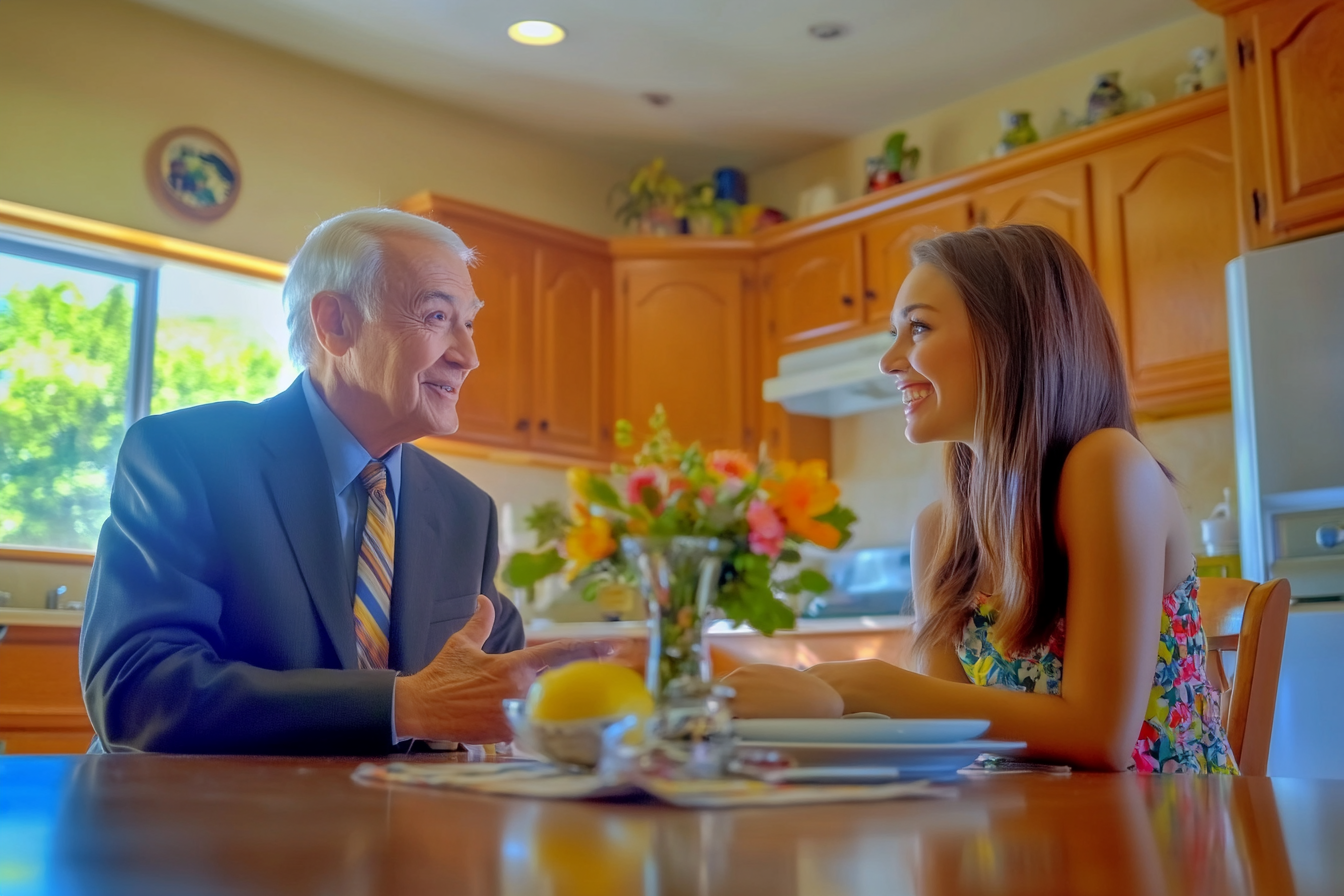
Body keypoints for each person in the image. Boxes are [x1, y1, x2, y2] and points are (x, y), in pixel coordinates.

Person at [81, 208, 606, 754]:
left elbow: (498, 690)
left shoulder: (465, 510)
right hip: (207, 830)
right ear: (335, 323)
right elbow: (135, 691)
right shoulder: (185, 455)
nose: (468, 357)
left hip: (403, 833)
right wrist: (405, 707)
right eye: (435, 317)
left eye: (468, 323)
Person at [725, 225, 1237, 774]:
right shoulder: (941, 532)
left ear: (1013, 336)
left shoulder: (1109, 466)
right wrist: (815, 702)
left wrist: (864, 685)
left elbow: (1100, 737)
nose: (889, 362)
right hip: (1019, 837)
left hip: (1163, 836)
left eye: (918, 327)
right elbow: (944, 744)